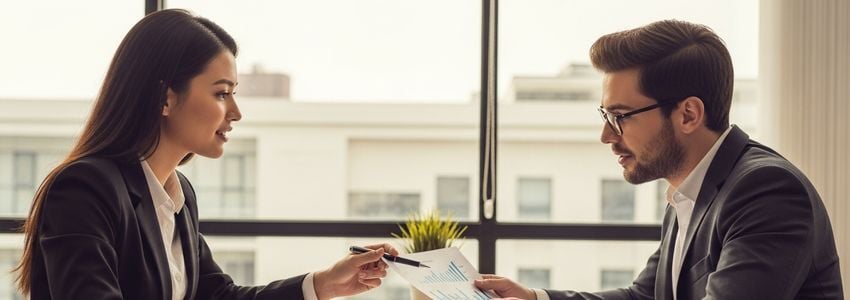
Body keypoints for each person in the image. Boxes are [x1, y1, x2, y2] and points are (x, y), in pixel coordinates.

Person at [13, 9, 395, 299]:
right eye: (221, 93)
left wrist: (322, 284)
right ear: (165, 97)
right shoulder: (85, 189)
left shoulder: (176, 195)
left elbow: (216, 295)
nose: (235, 112)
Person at [475, 19, 843, 300]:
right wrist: (535, 298)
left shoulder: (766, 192)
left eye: (620, 117)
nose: (607, 136)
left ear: (687, 115)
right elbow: (645, 296)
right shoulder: (687, 195)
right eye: (605, 116)